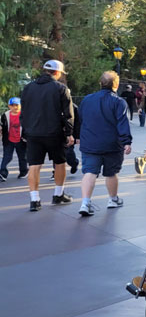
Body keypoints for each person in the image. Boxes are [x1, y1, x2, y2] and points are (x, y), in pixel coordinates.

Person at [20, 59, 75, 211]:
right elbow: (68, 114)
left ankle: (34, 200)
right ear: (57, 73)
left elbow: (23, 112)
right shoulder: (60, 88)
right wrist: (69, 133)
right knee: (59, 163)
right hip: (54, 132)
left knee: (34, 166)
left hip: (33, 133)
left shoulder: (28, 88)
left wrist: (25, 131)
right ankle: (58, 195)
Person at [77, 71, 132, 215]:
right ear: (116, 84)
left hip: (90, 143)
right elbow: (122, 122)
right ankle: (113, 199)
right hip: (111, 144)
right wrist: (126, 141)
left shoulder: (87, 100)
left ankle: (85, 203)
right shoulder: (119, 102)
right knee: (111, 173)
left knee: (89, 172)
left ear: (100, 83)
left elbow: (80, 119)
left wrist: (77, 136)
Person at [1, 98, 28, 182]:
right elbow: (2, 125)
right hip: (9, 140)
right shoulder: (5, 115)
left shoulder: (24, 115)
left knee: (22, 157)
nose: (15, 107)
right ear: (9, 106)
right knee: (6, 157)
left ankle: (23, 172)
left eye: (17, 105)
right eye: (12, 105)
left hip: (21, 140)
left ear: (20, 106)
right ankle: (2, 173)